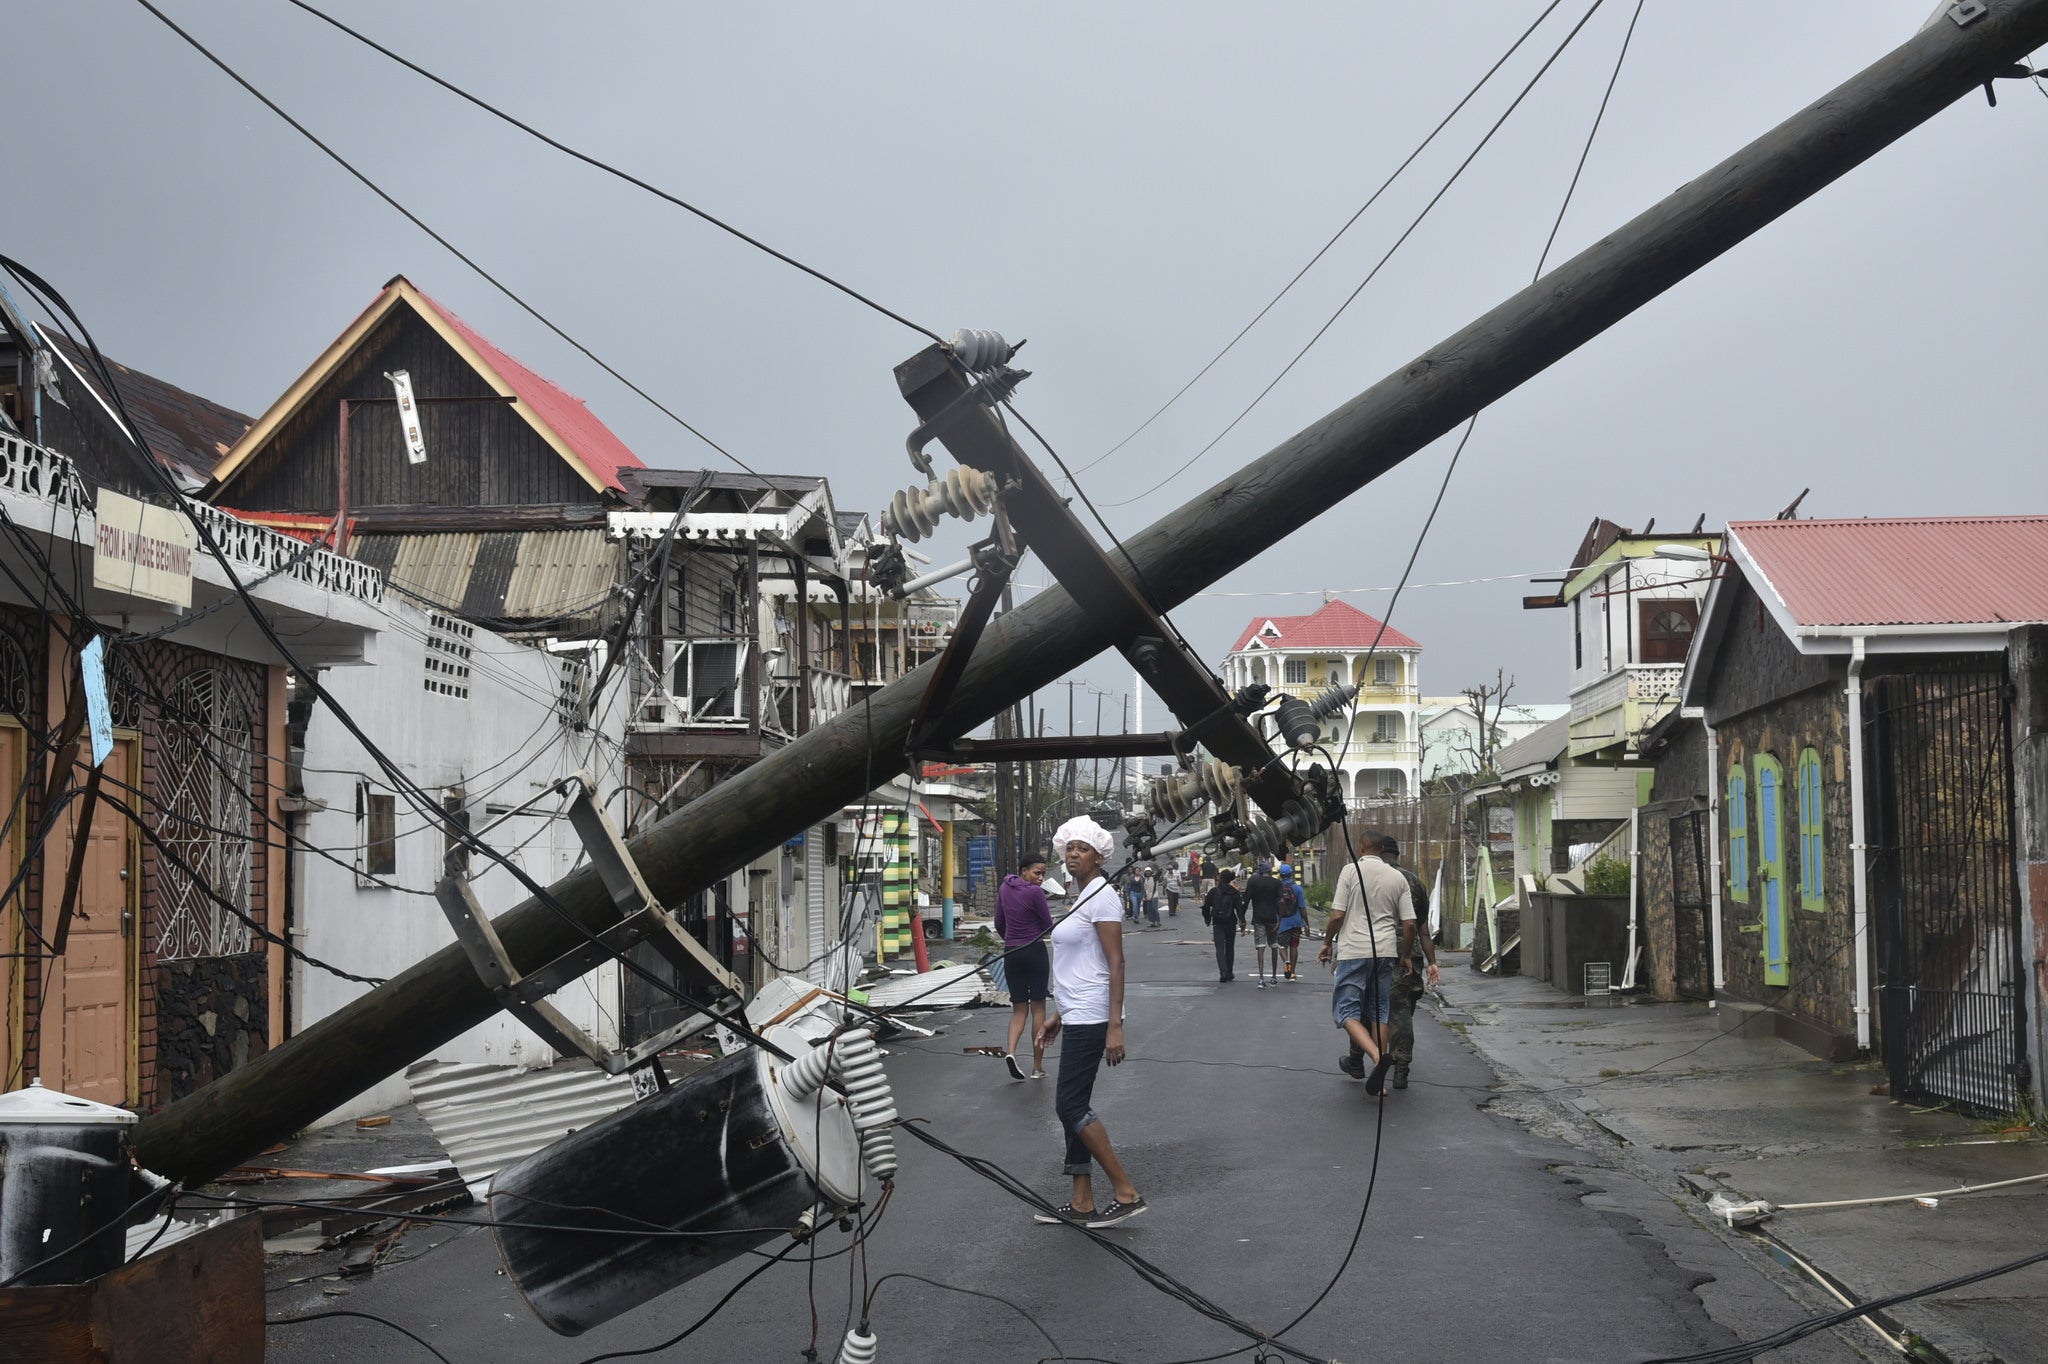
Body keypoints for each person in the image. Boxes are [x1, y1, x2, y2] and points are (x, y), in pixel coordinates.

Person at [1033, 816, 1147, 1228]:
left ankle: (1125, 1192)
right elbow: (1087, 967)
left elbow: (1116, 962)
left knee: (1070, 1104)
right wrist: (1058, 1016)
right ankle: (1081, 1201)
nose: (1074, 853)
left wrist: (1115, 1024)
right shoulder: (1080, 897)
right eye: (1070, 848)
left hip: (1095, 1017)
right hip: (1079, 1013)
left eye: (1083, 848)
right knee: (1070, 1108)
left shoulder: (1101, 896)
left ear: (1099, 856)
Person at [1318, 826, 1413, 1096]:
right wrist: (1406, 955)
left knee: (1346, 1012)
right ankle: (1379, 1079)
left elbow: (1337, 915)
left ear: (1360, 848)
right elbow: (1409, 924)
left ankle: (1375, 1056)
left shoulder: (1351, 871)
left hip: (1354, 952)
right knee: (1380, 1011)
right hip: (1385, 953)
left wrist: (1326, 943)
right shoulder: (1397, 878)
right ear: (1382, 850)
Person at [1380, 837, 1441, 1091]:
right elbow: (1422, 928)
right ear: (1398, 854)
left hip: (1376, 951)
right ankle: (1401, 1067)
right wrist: (1432, 962)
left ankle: (1359, 1059)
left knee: (1366, 1008)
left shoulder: (1371, 877)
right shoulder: (1414, 881)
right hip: (1410, 954)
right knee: (1402, 1012)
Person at [993, 852, 1055, 1081]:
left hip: (1011, 952)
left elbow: (999, 922)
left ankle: (1011, 1052)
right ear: (1024, 871)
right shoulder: (1035, 893)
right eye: (1037, 873)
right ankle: (1037, 1067)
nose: (1040, 878)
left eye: (1043, 874)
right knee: (1038, 1007)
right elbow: (1048, 925)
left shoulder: (1004, 888)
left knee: (1019, 1009)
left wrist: (1010, 939)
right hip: (1034, 950)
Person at [1243, 863, 1285, 987]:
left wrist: (1242, 918)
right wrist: (1280, 920)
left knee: (1261, 947)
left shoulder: (1253, 883)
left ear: (1260, 873)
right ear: (1270, 872)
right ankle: (1273, 976)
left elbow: (1246, 900)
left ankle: (1261, 978)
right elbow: (1281, 901)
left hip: (1258, 918)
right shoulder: (1277, 883)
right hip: (1272, 918)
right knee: (1273, 946)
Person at [1202, 868, 1245, 982]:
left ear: (1220, 878)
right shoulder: (1234, 892)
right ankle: (1230, 972)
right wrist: (1242, 923)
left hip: (1218, 922)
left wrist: (1207, 919)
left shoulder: (1214, 891)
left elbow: (1206, 907)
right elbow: (1239, 910)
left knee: (1220, 948)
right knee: (1230, 948)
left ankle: (1223, 972)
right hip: (1231, 922)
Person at [1275, 863, 1308, 983]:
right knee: (1294, 946)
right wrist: (1306, 923)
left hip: (1282, 922)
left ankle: (1286, 961)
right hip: (1296, 921)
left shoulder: (1276, 888)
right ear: (1291, 874)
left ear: (1280, 875)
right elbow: (1302, 907)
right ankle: (1293, 972)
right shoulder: (1298, 888)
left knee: (1281, 946)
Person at [1139, 862, 1163, 928]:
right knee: (1149, 910)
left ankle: (1158, 922)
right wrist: (1144, 896)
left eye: (1149, 872)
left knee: (1154, 909)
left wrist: (1159, 869)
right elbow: (1144, 888)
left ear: (1151, 872)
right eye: (1146, 872)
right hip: (1148, 897)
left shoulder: (1154, 878)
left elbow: (1159, 873)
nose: (1147, 873)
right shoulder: (1145, 880)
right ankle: (1152, 922)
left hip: (1154, 896)